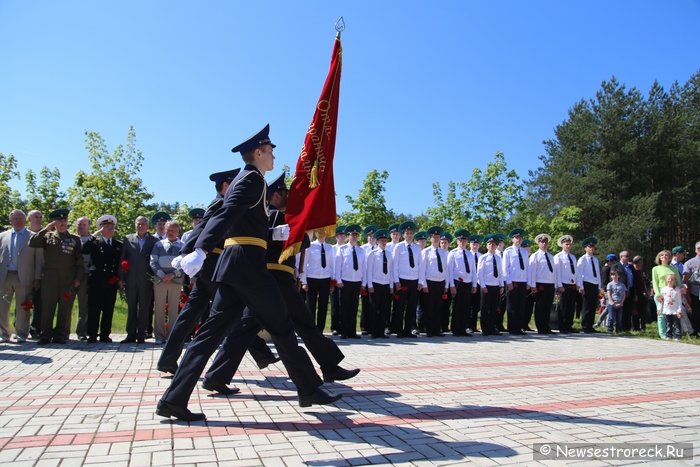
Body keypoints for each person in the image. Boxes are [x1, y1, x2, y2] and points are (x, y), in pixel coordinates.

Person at [157, 124, 341, 421]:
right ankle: (308, 388)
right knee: (280, 324)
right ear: (258, 152)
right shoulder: (253, 180)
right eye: (270, 151)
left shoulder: (251, 180)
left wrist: (276, 231)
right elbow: (224, 214)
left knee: (208, 335)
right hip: (248, 267)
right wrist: (200, 249)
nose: (273, 156)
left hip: (236, 266)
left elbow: (237, 220)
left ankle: (173, 400)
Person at [200, 172, 359, 394]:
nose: (287, 196)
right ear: (274, 195)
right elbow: (300, 242)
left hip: (272, 278)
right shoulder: (276, 216)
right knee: (303, 323)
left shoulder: (269, 216)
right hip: (277, 278)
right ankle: (328, 367)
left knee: (245, 329)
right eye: (284, 192)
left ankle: (217, 375)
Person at [158, 169, 277, 374]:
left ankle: (168, 359)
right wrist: (187, 251)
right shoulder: (221, 202)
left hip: (209, 265)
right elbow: (202, 228)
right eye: (233, 183)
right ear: (225, 186)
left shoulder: (221, 202)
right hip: (213, 263)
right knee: (230, 312)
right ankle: (259, 353)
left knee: (191, 313)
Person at [29, 208, 84, 344]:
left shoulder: (75, 239)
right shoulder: (47, 237)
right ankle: (45, 334)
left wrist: (77, 279)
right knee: (47, 307)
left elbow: (80, 262)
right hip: (50, 279)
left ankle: (60, 335)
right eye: (59, 221)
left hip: (67, 280)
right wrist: (46, 229)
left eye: (64, 220)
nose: (62, 223)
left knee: (64, 308)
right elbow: (32, 243)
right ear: (54, 223)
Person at [0, 210, 42, 343]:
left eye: (21, 218)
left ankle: (21, 333)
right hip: (5, 275)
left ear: (25, 220)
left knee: (23, 306)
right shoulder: (2, 236)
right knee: (2, 306)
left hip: (24, 276)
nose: (18, 221)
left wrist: (37, 278)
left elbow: (39, 260)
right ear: (10, 221)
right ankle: (4, 333)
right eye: (15, 219)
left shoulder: (33, 236)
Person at [82, 215, 122, 343]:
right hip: (97, 281)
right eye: (106, 227)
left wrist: (118, 278)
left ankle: (105, 334)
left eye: (111, 228)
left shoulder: (118, 245)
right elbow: (85, 249)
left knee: (108, 309)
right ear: (101, 229)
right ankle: (92, 334)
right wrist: (93, 235)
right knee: (94, 308)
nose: (110, 230)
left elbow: (119, 264)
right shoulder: (94, 242)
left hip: (111, 281)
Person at [120, 216, 158, 344]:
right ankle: (130, 334)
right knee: (131, 307)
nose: (140, 226)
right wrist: (121, 278)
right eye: (138, 224)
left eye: (143, 224)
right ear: (135, 225)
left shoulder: (154, 241)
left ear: (148, 226)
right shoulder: (127, 239)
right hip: (131, 279)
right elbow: (123, 259)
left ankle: (141, 334)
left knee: (144, 308)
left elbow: (155, 261)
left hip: (146, 280)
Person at [150, 220, 184, 344]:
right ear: (165, 230)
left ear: (178, 231)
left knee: (173, 310)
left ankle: (171, 337)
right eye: (168, 230)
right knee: (159, 308)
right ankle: (159, 336)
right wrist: (162, 275)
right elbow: (153, 261)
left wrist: (172, 274)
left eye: (173, 230)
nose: (170, 232)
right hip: (160, 280)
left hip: (175, 280)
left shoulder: (183, 245)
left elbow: (184, 263)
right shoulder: (158, 244)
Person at [334, 224, 366, 339]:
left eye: (356, 235)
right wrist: (338, 280)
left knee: (354, 307)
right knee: (344, 307)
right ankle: (343, 331)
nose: (354, 237)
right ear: (348, 236)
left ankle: (352, 331)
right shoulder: (342, 249)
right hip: (345, 282)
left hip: (356, 281)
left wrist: (363, 282)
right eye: (352, 235)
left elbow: (364, 267)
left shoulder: (361, 250)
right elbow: (337, 266)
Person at [391, 221, 422, 338]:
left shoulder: (417, 248)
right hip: (402, 280)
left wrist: (420, 282)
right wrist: (396, 281)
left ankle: (408, 330)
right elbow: (395, 265)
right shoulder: (398, 247)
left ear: (413, 234)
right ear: (403, 235)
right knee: (400, 307)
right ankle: (399, 330)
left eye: (411, 233)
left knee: (412, 307)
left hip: (414, 280)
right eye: (407, 233)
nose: (409, 235)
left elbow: (421, 265)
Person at [301, 229, 334, 332]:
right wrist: (304, 281)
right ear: (315, 233)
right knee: (311, 305)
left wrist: (332, 282)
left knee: (323, 305)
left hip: (325, 279)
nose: (321, 234)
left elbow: (332, 266)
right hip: (312, 278)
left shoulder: (330, 248)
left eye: (323, 232)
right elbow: (305, 264)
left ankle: (320, 329)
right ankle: (311, 329)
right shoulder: (310, 246)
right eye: (319, 232)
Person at [419, 226, 449, 337]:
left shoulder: (444, 252)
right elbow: (422, 269)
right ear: (430, 238)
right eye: (433, 237)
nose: (436, 238)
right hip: (429, 282)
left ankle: (437, 329)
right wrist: (424, 285)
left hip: (440, 282)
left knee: (438, 307)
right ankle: (429, 330)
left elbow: (446, 270)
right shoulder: (425, 252)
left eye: (437, 237)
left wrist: (446, 285)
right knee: (429, 307)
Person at [447, 229, 477, 337]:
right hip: (457, 282)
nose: (462, 242)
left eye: (464, 240)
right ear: (457, 241)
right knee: (457, 307)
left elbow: (473, 270)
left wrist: (474, 284)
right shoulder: (453, 253)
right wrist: (451, 285)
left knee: (466, 307)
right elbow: (449, 271)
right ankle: (455, 329)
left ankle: (463, 329)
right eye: (460, 240)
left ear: (467, 241)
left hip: (468, 283)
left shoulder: (470, 254)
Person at [365, 228, 393, 338]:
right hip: (375, 284)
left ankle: (381, 332)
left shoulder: (390, 254)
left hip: (385, 284)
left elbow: (390, 271)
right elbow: (369, 271)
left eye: (385, 240)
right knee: (374, 309)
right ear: (377, 242)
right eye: (381, 240)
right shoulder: (373, 254)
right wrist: (370, 285)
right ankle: (373, 332)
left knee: (384, 309)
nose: (383, 242)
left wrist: (391, 286)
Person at [528, 233, 559, 334]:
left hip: (550, 284)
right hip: (540, 283)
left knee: (547, 306)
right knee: (540, 306)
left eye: (545, 242)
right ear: (538, 243)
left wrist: (555, 285)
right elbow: (532, 271)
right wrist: (532, 285)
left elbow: (554, 272)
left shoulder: (551, 256)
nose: (544, 244)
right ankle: (540, 327)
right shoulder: (535, 256)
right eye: (542, 242)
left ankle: (546, 326)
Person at [502, 228, 529, 335]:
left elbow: (527, 268)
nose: (518, 239)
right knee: (512, 306)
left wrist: (528, 282)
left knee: (521, 305)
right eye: (516, 238)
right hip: (512, 281)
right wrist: (508, 282)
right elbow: (505, 268)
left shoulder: (524, 252)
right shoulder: (508, 251)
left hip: (522, 281)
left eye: (520, 238)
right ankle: (512, 328)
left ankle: (518, 327)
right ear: (512, 239)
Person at [477, 234, 504, 336]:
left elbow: (501, 273)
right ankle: (485, 329)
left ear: (496, 246)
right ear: (487, 246)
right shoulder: (483, 258)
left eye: (493, 244)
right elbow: (479, 273)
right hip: (486, 286)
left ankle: (493, 328)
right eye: (489, 244)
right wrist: (483, 286)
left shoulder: (498, 258)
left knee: (494, 308)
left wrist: (501, 285)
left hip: (495, 285)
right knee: (484, 308)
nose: (491, 246)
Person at [651, 250, 682, 338]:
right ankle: (663, 334)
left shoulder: (673, 268)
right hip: (661, 292)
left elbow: (678, 282)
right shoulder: (655, 269)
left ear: (669, 257)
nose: (664, 256)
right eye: (662, 255)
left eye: (666, 255)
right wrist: (657, 294)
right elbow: (655, 283)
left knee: (673, 314)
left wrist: (680, 290)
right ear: (659, 257)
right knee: (661, 314)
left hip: (672, 293)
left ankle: (674, 333)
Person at [553, 235, 580, 334]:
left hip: (572, 284)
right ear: (562, 245)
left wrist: (577, 283)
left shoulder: (573, 257)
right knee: (563, 307)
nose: (568, 246)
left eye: (569, 244)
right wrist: (559, 285)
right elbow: (557, 272)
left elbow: (576, 271)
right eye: (566, 244)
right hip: (563, 284)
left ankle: (569, 325)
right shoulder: (558, 257)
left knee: (571, 306)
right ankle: (562, 326)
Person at [577, 237, 602, 333]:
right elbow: (579, 273)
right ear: (585, 248)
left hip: (594, 284)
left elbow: (598, 273)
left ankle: (590, 325)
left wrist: (599, 287)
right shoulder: (582, 259)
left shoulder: (595, 259)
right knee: (586, 306)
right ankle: (585, 326)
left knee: (592, 306)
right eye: (589, 247)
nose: (591, 248)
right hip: (586, 284)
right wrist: (581, 286)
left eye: (593, 247)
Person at [27, 210, 44, 338]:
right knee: (23, 303)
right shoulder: (24, 234)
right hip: (25, 274)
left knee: (39, 303)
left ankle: (36, 329)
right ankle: (21, 328)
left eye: (40, 217)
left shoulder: (47, 234)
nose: (38, 219)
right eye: (35, 217)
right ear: (29, 219)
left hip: (43, 274)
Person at [75, 216, 92, 341]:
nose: (81, 227)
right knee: (66, 305)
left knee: (84, 306)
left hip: (86, 276)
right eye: (79, 224)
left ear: (89, 226)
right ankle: (63, 332)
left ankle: (82, 331)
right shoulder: (71, 239)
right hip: (70, 276)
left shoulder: (94, 240)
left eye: (84, 224)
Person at [329, 225, 347, 336]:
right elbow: (331, 265)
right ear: (336, 237)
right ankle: (334, 327)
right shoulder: (332, 248)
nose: (341, 237)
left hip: (343, 280)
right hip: (334, 280)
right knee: (335, 304)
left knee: (343, 305)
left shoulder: (347, 248)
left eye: (343, 236)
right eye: (339, 235)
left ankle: (342, 326)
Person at [658, 273, 685, 341]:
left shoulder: (677, 290)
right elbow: (661, 300)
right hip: (667, 309)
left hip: (675, 310)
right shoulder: (663, 289)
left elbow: (679, 300)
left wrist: (679, 310)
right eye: (668, 279)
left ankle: (677, 336)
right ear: (666, 280)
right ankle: (668, 335)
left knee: (677, 324)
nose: (670, 280)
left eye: (672, 279)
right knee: (668, 324)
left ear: (675, 280)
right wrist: (659, 308)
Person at [682, 241, 700, 337]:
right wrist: (687, 295)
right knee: (696, 313)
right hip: (695, 292)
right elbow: (685, 281)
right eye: (698, 249)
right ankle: (695, 331)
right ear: (695, 250)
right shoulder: (689, 263)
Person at [467, 234, 482, 333]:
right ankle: (467, 325)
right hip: (470, 282)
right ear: (470, 245)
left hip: (479, 283)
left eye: (476, 244)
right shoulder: (467, 255)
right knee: (468, 305)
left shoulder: (481, 256)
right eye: (473, 244)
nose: (475, 246)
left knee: (476, 306)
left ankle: (473, 326)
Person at [631, 255, 649, 331]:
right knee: (635, 311)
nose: (641, 263)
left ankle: (643, 326)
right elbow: (634, 284)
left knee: (643, 311)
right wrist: (635, 295)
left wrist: (646, 291)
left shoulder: (641, 271)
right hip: (635, 293)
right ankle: (635, 327)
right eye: (640, 262)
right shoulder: (632, 271)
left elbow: (644, 283)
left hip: (642, 293)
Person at [606, 270, 627, 334]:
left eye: (615, 274)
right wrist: (612, 303)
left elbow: (624, 295)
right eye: (612, 275)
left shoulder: (622, 285)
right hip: (612, 303)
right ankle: (610, 329)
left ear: (618, 276)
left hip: (620, 303)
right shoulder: (610, 284)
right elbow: (609, 294)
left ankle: (618, 330)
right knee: (611, 317)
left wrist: (621, 303)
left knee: (619, 318)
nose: (614, 276)